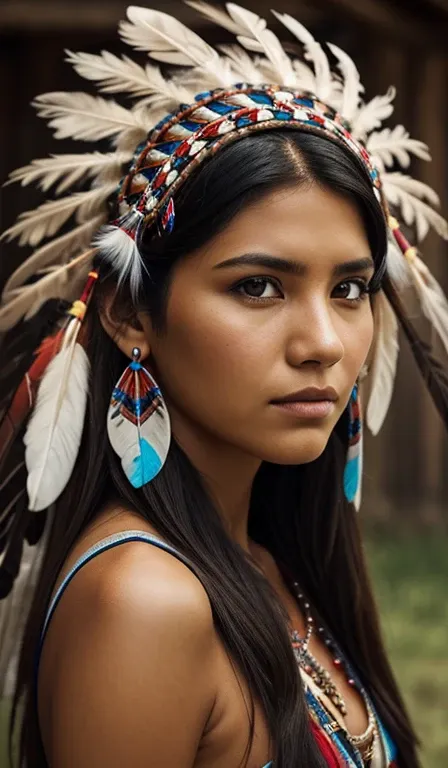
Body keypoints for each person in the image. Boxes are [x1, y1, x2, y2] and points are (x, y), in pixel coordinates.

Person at [0, 3, 447, 767]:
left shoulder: (267, 561)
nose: (324, 344)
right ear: (129, 312)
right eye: (259, 287)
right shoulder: (143, 602)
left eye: (349, 289)